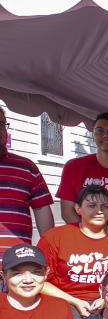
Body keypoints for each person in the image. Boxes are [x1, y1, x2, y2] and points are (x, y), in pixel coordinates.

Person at [38, 185, 108, 318]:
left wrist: (106, 299)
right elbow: (38, 280)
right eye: (92, 205)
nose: (99, 211)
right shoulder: (55, 237)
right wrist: (74, 301)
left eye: (105, 206)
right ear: (78, 209)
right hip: (65, 301)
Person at [0, 107, 54, 256]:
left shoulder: (26, 167)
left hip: (17, 268)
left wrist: (47, 252)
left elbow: (42, 209)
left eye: (1, 124)